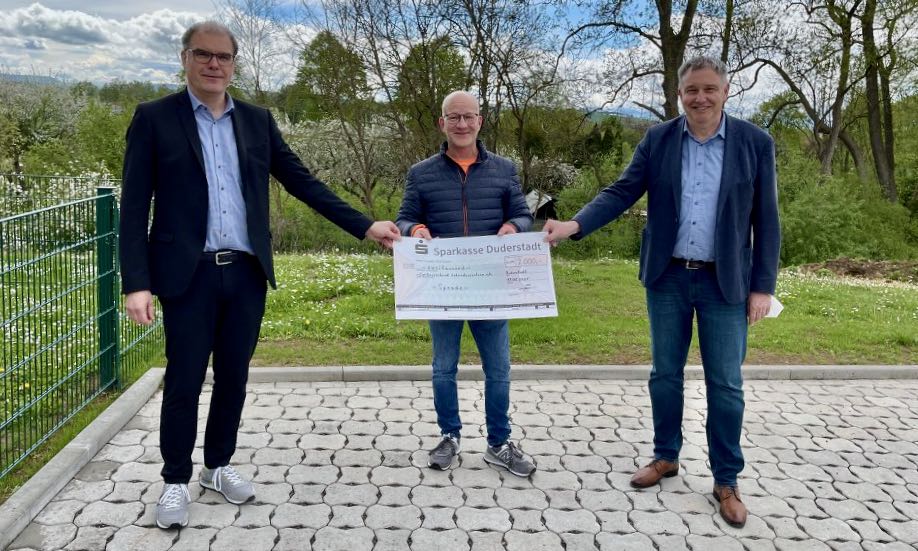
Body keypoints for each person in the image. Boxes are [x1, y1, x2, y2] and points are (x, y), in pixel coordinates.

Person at [119, 21, 400, 530]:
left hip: (246, 274)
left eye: (223, 57)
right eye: (203, 55)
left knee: (234, 378)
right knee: (184, 381)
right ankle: (176, 479)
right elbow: (134, 206)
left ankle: (217, 466)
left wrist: (364, 225)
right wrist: (136, 283)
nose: (214, 65)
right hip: (187, 276)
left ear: (233, 64)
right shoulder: (154, 119)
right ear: (184, 58)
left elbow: (301, 181)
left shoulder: (256, 120)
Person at [544, 56, 780, 528]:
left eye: (709, 89)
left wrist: (762, 287)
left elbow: (767, 220)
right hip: (669, 276)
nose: (700, 98)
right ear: (679, 94)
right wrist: (574, 224)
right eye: (692, 89)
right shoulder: (659, 139)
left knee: (726, 385)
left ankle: (726, 479)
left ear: (726, 91)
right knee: (664, 375)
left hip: (725, 282)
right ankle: (665, 455)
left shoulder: (755, 143)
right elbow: (621, 191)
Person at [396, 91, 536, 477]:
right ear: (442, 123)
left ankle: (498, 442)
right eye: (453, 117)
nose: (461, 124)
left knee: (499, 369)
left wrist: (511, 227)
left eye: (468, 117)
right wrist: (417, 229)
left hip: (491, 285)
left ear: (480, 121)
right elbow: (404, 218)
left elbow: (524, 216)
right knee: (444, 367)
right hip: (443, 286)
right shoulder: (420, 173)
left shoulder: (504, 169)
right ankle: (449, 436)